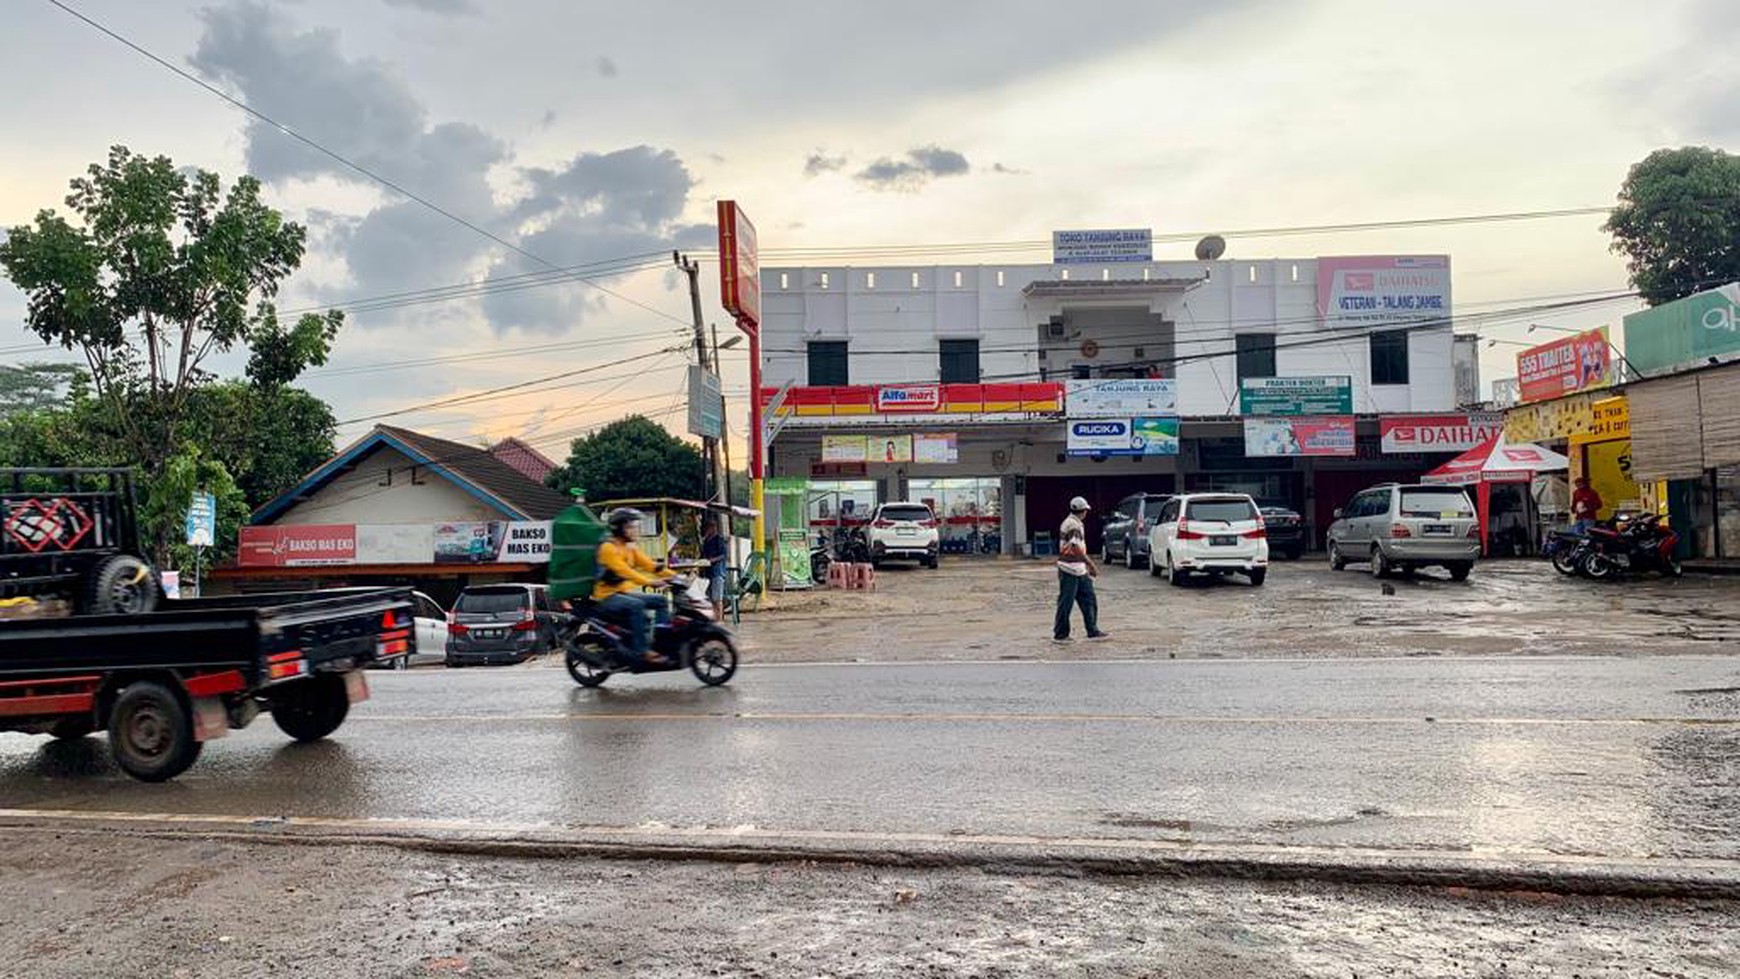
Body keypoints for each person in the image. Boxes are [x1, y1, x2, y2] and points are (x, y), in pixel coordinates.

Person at [592, 508, 674, 664]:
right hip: (606, 597)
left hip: (622, 593)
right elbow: (626, 572)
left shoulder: (630, 547)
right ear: (619, 528)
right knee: (637, 605)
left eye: (634, 526)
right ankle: (641, 651)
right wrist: (650, 582)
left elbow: (650, 565)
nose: (635, 530)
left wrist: (674, 576)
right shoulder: (608, 548)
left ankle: (659, 643)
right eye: (630, 527)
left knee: (661, 601)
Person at [1054, 496, 1107, 644]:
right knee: (1066, 602)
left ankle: (1092, 629)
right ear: (1083, 511)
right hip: (1069, 569)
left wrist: (1085, 566)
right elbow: (1075, 547)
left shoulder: (1074, 523)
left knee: (1089, 599)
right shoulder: (1073, 525)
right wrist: (1091, 564)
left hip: (1079, 569)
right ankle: (1061, 634)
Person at [701, 516, 729, 622]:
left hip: (717, 572)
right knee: (711, 598)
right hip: (708, 572)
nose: (709, 530)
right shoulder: (707, 541)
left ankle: (720, 619)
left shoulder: (719, 540)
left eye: (710, 528)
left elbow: (723, 555)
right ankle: (714, 618)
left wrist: (712, 560)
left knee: (717, 598)